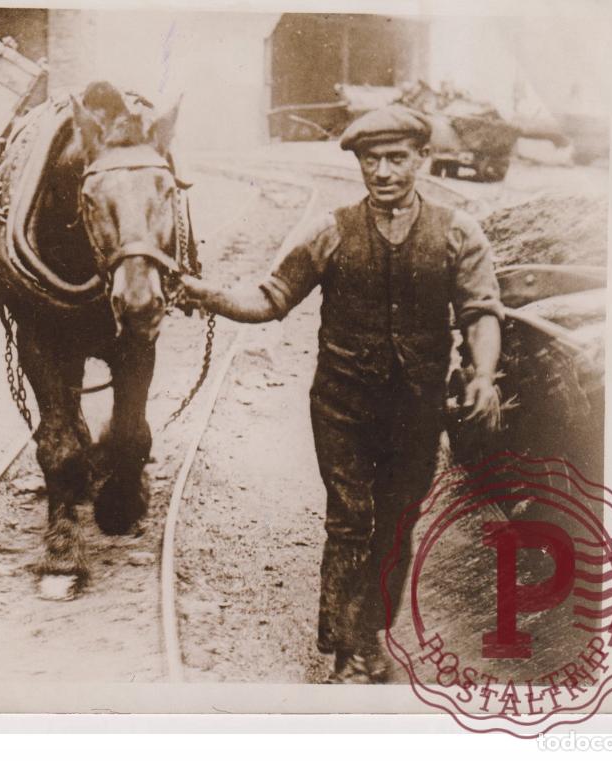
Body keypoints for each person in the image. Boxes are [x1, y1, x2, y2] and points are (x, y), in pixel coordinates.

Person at [180, 104, 503, 683]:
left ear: (421, 160)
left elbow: (480, 311)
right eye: (370, 160)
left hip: (416, 410)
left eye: (396, 159)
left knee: (399, 520)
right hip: (343, 406)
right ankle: (348, 648)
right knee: (351, 517)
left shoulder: (458, 232)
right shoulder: (329, 230)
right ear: (358, 163)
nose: (382, 172)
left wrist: (482, 375)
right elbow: (272, 298)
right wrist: (210, 296)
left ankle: (371, 630)